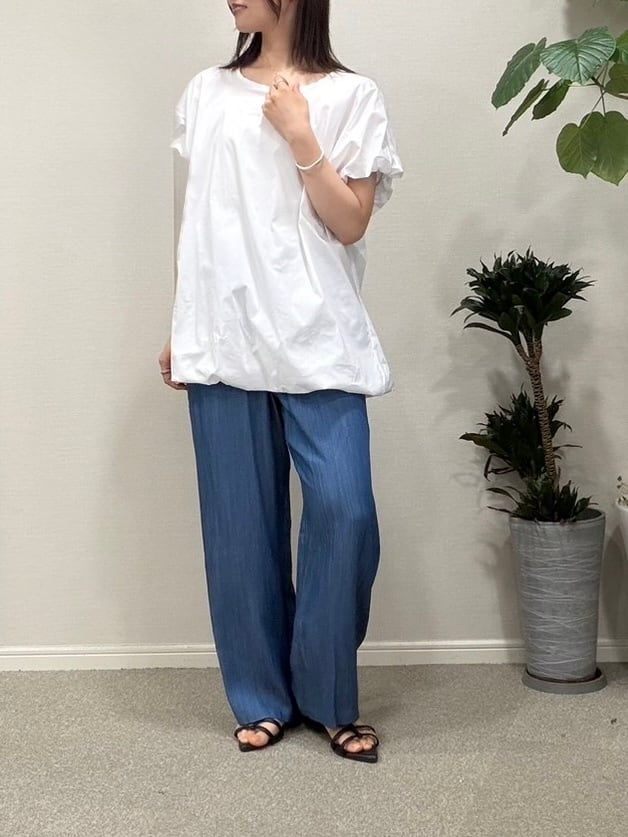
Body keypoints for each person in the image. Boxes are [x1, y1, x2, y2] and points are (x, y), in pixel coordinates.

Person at [159, 0, 403, 763]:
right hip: (225, 332)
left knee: (345, 509)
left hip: (317, 335)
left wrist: (301, 136)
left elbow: (350, 222)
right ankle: (261, 697)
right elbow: (195, 220)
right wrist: (181, 324)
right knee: (239, 531)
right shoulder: (206, 92)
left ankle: (328, 695)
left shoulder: (353, 95)